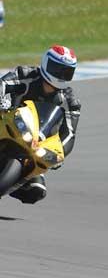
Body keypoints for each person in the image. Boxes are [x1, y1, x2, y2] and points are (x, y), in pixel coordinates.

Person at [0, 45, 81, 204]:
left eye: (66, 72)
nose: (60, 75)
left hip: (35, 144)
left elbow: (69, 134)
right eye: (57, 69)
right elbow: (2, 84)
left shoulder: (70, 101)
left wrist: (60, 154)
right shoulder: (27, 75)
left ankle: (9, 184)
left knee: (36, 190)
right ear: (46, 63)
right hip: (9, 123)